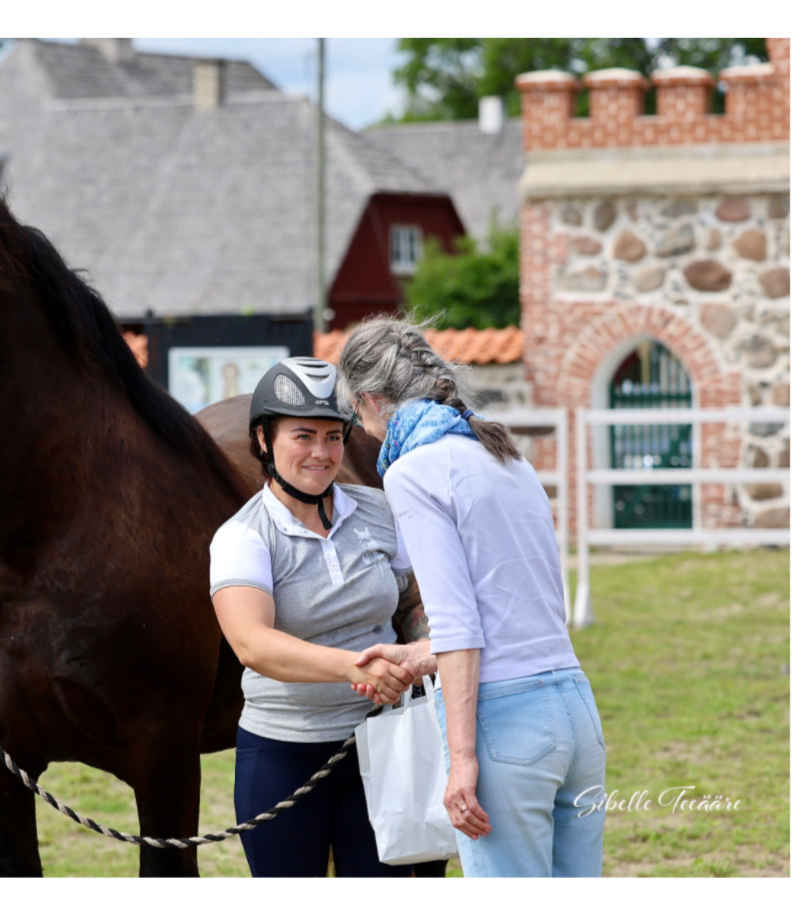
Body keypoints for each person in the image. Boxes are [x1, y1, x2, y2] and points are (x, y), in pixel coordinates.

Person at [337, 318, 605, 877]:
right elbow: (517, 611)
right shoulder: (507, 455)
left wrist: (461, 761)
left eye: (356, 415)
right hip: (575, 709)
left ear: (369, 399)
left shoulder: (412, 471)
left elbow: (460, 624)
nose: (361, 429)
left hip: (503, 722)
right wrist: (417, 656)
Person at [205, 358, 445, 877]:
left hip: (385, 745)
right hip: (283, 758)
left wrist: (423, 652)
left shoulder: (380, 511)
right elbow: (253, 644)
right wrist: (355, 669)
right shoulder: (242, 538)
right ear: (264, 440)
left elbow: (412, 601)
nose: (321, 453)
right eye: (304, 435)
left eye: (334, 437)